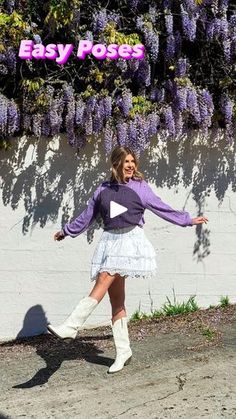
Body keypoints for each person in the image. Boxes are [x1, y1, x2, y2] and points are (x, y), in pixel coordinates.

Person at [47, 146, 208, 374]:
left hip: (129, 242)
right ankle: (124, 352)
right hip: (110, 242)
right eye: (126, 162)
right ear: (116, 164)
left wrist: (187, 220)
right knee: (117, 301)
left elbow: (161, 207)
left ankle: (71, 326)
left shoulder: (140, 188)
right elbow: (87, 216)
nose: (131, 165)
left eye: (133, 161)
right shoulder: (102, 189)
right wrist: (66, 231)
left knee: (103, 280)